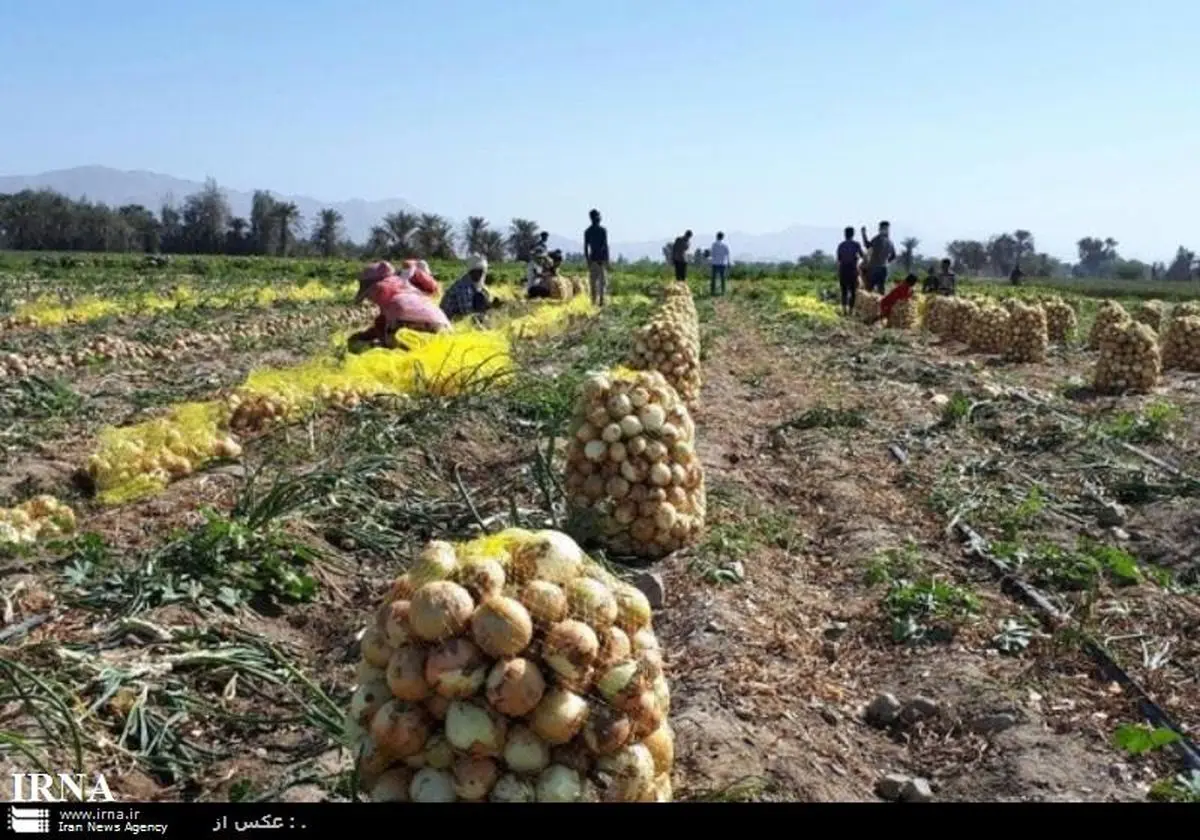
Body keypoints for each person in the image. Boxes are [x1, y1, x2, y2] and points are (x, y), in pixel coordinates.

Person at [349, 260, 449, 351]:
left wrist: (363, 338)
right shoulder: (406, 287)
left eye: (369, 294)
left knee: (384, 343)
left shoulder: (386, 294)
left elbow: (381, 325)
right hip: (444, 328)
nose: (370, 298)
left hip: (419, 328)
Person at [441, 255, 500, 321]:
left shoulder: (477, 285)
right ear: (472, 271)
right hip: (448, 320)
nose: (482, 274)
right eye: (480, 271)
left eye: (483, 271)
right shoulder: (463, 287)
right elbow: (467, 313)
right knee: (479, 299)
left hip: (461, 317)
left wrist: (492, 306)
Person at [860, 220, 897, 294]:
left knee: (869, 291)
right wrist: (886, 261)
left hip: (874, 268)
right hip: (884, 268)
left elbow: (867, 246)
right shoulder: (890, 242)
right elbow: (893, 256)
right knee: (881, 291)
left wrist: (863, 234)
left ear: (880, 229)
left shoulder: (877, 239)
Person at [835, 226, 864, 316]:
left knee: (844, 291)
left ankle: (844, 311)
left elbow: (839, 259)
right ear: (853, 234)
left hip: (843, 270)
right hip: (852, 270)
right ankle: (850, 312)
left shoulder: (841, 245)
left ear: (845, 234)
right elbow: (863, 256)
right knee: (853, 292)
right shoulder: (856, 244)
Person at [584, 209, 610, 307]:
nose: (599, 218)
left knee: (594, 283)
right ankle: (599, 302)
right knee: (601, 283)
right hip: (599, 260)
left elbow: (586, 247)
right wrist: (607, 260)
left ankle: (595, 302)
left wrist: (587, 260)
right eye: (598, 216)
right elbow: (605, 245)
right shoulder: (601, 230)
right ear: (595, 218)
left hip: (594, 260)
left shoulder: (588, 231)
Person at [708, 232, 731, 296]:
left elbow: (712, 254)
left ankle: (712, 292)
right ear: (722, 237)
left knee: (713, 278)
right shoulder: (725, 245)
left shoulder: (714, 244)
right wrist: (728, 263)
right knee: (722, 278)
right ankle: (723, 291)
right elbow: (728, 255)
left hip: (715, 263)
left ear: (717, 236)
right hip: (723, 264)